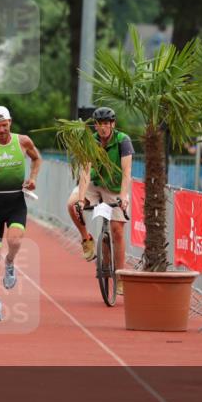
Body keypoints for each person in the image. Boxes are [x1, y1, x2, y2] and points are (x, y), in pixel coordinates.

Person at [0, 105, 42, 321]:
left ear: (10, 122)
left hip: (16, 202)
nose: (1, 129)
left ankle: (10, 262)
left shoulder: (22, 141)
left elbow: (37, 159)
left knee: (15, 241)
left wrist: (32, 179)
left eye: (4, 125)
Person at [66, 107, 132, 282]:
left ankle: (120, 277)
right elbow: (85, 172)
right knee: (72, 205)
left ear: (113, 124)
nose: (103, 128)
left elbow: (127, 172)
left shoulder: (122, 140)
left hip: (115, 187)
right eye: (99, 124)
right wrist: (81, 200)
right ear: (95, 125)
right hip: (95, 184)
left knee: (117, 231)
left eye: (106, 124)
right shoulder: (90, 141)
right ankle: (86, 239)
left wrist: (124, 197)